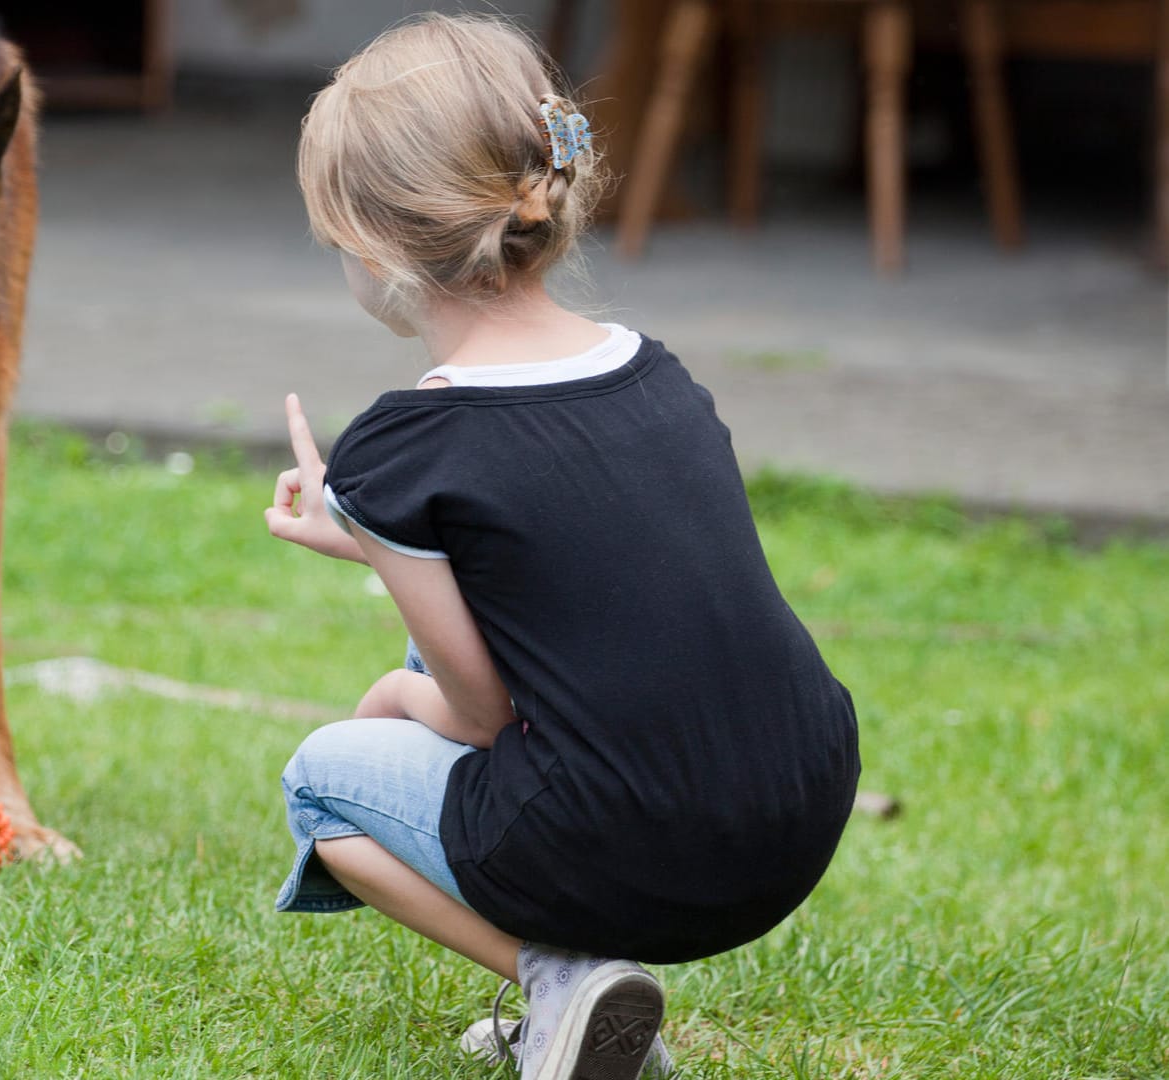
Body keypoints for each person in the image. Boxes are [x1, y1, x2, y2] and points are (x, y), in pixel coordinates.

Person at [263, 14, 861, 1079]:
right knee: (442, 669)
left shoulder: (409, 443)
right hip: (796, 808)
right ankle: (583, 989)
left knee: (322, 783)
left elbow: (482, 712)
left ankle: (563, 986)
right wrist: (364, 536)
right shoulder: (652, 371)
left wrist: (394, 703)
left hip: (631, 838)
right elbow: (578, 563)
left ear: (373, 248)